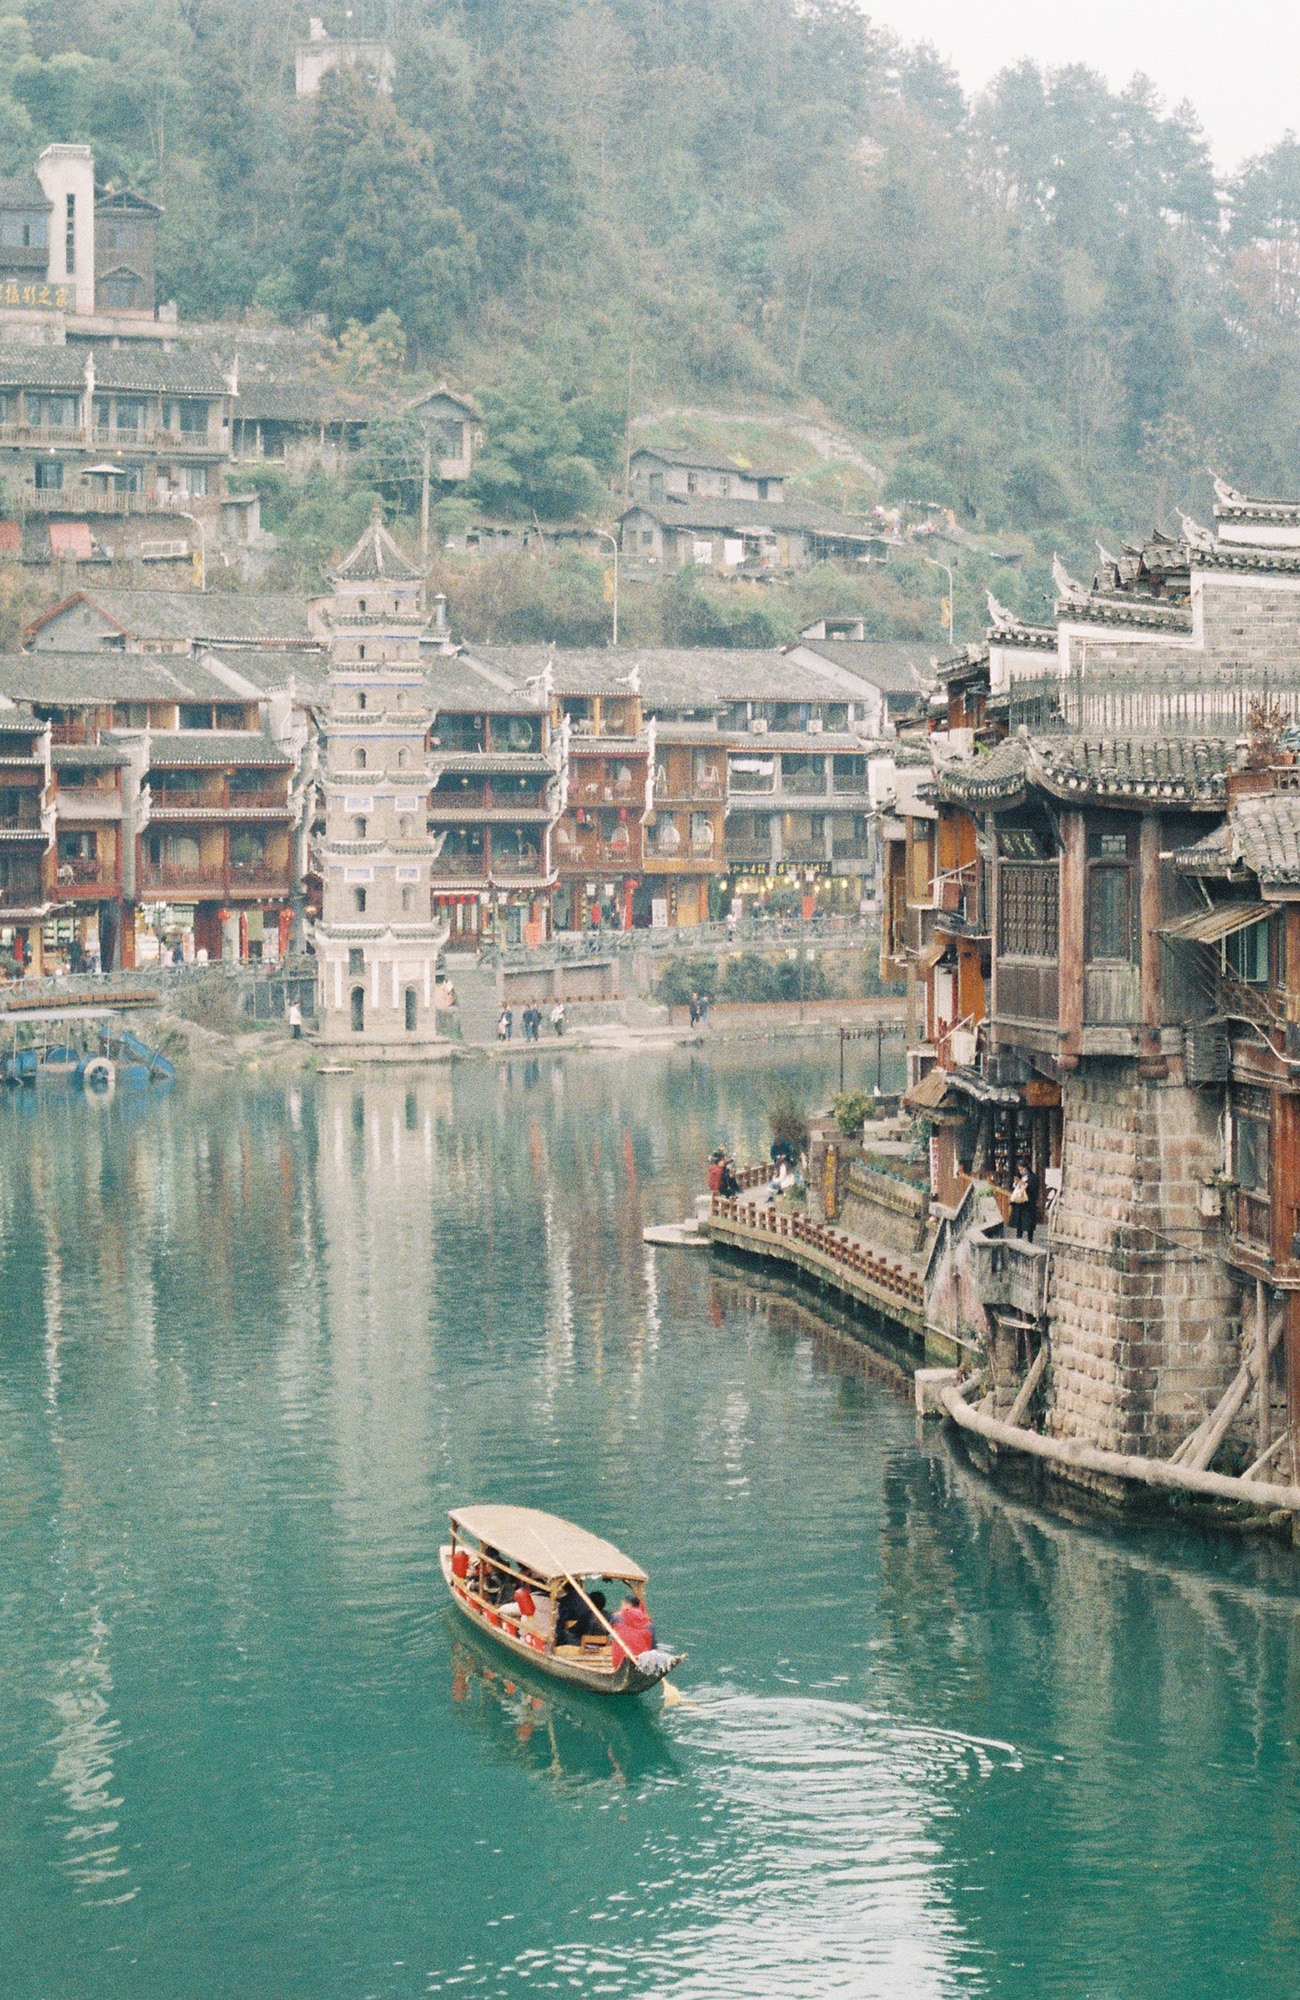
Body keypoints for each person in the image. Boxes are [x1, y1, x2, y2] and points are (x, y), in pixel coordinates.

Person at [610, 1594, 656, 1668]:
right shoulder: (649, 1622)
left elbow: (609, 1635)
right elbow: (653, 1647)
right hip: (643, 1662)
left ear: (627, 1605)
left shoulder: (616, 1618)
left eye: (622, 1605)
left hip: (618, 1661)